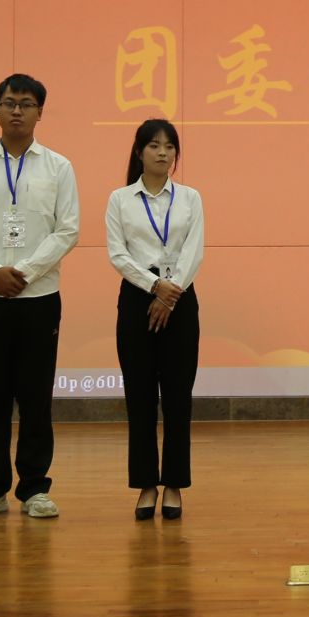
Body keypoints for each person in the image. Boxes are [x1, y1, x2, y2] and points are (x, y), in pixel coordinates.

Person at [0, 73, 80, 521]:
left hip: (38, 298)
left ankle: (35, 489)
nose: (17, 110)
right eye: (9, 103)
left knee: (36, 398)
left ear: (40, 112)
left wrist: (23, 272)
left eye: (26, 103)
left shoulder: (59, 167)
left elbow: (67, 230)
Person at [104, 118, 205, 522]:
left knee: (178, 398)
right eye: (154, 145)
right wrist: (153, 286)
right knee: (140, 397)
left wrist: (171, 290)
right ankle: (146, 483)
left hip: (180, 299)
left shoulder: (190, 198)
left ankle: (174, 484)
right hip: (137, 299)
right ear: (139, 152)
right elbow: (118, 253)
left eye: (169, 146)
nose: (163, 153)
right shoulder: (120, 199)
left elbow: (194, 249)